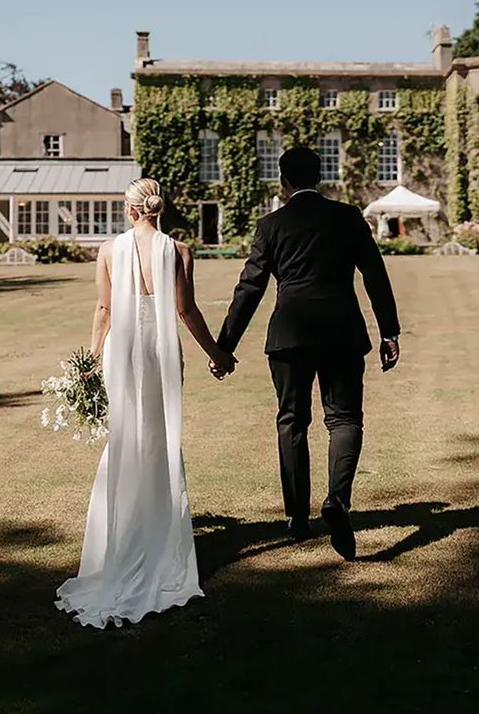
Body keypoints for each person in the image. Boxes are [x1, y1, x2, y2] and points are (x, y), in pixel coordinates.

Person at [55, 178, 236, 628]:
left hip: (123, 349)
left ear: (131, 209)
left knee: (126, 437)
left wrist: (91, 361)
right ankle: (156, 537)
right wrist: (218, 355)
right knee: (158, 438)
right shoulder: (179, 250)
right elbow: (186, 311)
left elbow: (104, 311)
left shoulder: (108, 250)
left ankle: (123, 539)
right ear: (159, 208)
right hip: (160, 351)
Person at [213, 146, 400, 561]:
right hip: (342, 331)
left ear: (284, 182)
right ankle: (337, 500)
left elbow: (250, 288)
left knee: (292, 421)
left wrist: (224, 347)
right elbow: (375, 273)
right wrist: (389, 331)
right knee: (344, 419)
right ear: (320, 177)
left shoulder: (271, 225)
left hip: (289, 335)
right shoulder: (348, 217)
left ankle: (297, 517)